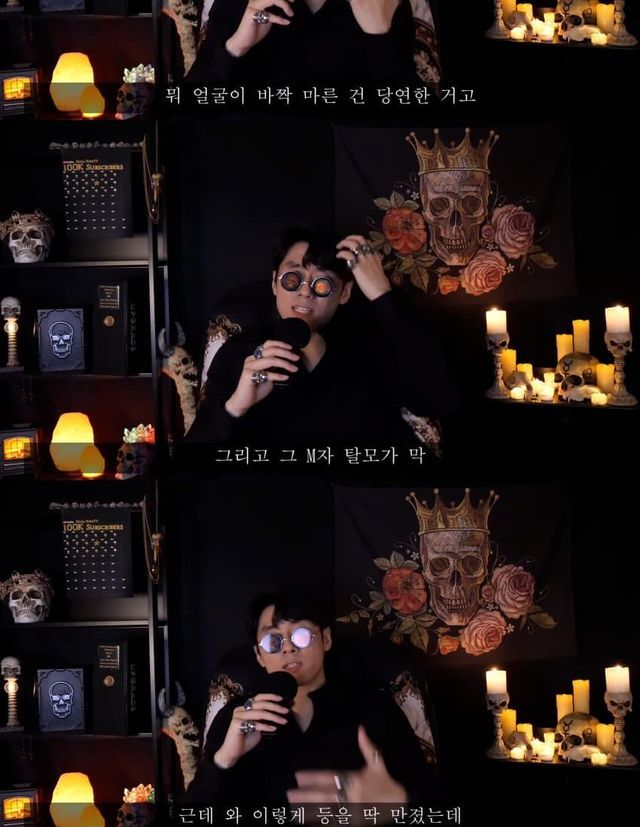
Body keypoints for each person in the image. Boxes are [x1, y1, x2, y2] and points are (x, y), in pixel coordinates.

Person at [185, 225, 458, 447]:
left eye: (322, 283)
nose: (305, 291)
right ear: (274, 283)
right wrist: (235, 406)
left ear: (345, 293)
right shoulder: (238, 356)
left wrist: (381, 293)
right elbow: (191, 464)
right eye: (292, 279)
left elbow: (439, 401)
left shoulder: (368, 350)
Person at [184, 590, 436, 805]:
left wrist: (398, 800)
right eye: (273, 640)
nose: (288, 647)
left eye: (301, 635)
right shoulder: (236, 717)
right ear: (259, 656)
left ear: (325, 639)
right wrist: (224, 759)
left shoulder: (374, 707)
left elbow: (435, 799)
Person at [185, 0, 418, 86]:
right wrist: (236, 47)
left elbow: (417, 129)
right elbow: (186, 113)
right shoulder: (241, 3)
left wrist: (380, 36)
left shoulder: (381, 3)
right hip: (255, 161)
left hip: (353, 166)